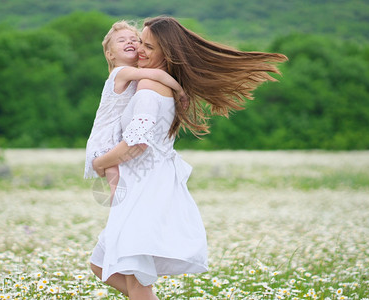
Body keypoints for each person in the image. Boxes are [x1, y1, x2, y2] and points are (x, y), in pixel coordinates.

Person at [90, 16, 287, 299]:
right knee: (102, 265)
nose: (139, 50)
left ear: (166, 53)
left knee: (132, 277)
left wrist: (100, 163)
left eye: (148, 46)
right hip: (147, 185)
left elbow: (137, 142)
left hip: (145, 189)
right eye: (140, 43)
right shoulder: (154, 84)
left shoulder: (147, 89)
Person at [84, 20, 187, 202]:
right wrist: (180, 90)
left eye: (135, 39)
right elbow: (158, 75)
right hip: (106, 133)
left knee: (113, 168)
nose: (130, 42)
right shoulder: (120, 72)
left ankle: (119, 201)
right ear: (110, 55)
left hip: (119, 136)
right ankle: (118, 200)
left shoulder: (138, 79)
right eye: (121, 40)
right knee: (113, 169)